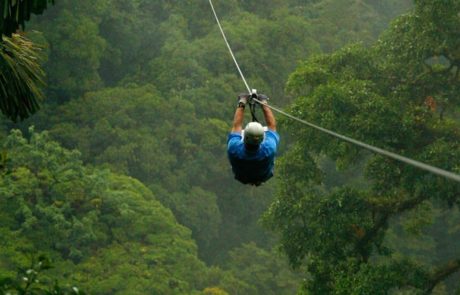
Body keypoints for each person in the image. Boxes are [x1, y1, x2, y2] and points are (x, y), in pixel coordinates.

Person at [227, 93, 280, 185]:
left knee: (237, 133)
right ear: (261, 139)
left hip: (242, 176)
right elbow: (272, 126)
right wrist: (263, 102)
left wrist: (242, 101)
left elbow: (237, 126)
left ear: (245, 138)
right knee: (269, 132)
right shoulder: (268, 149)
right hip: (263, 175)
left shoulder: (234, 148)